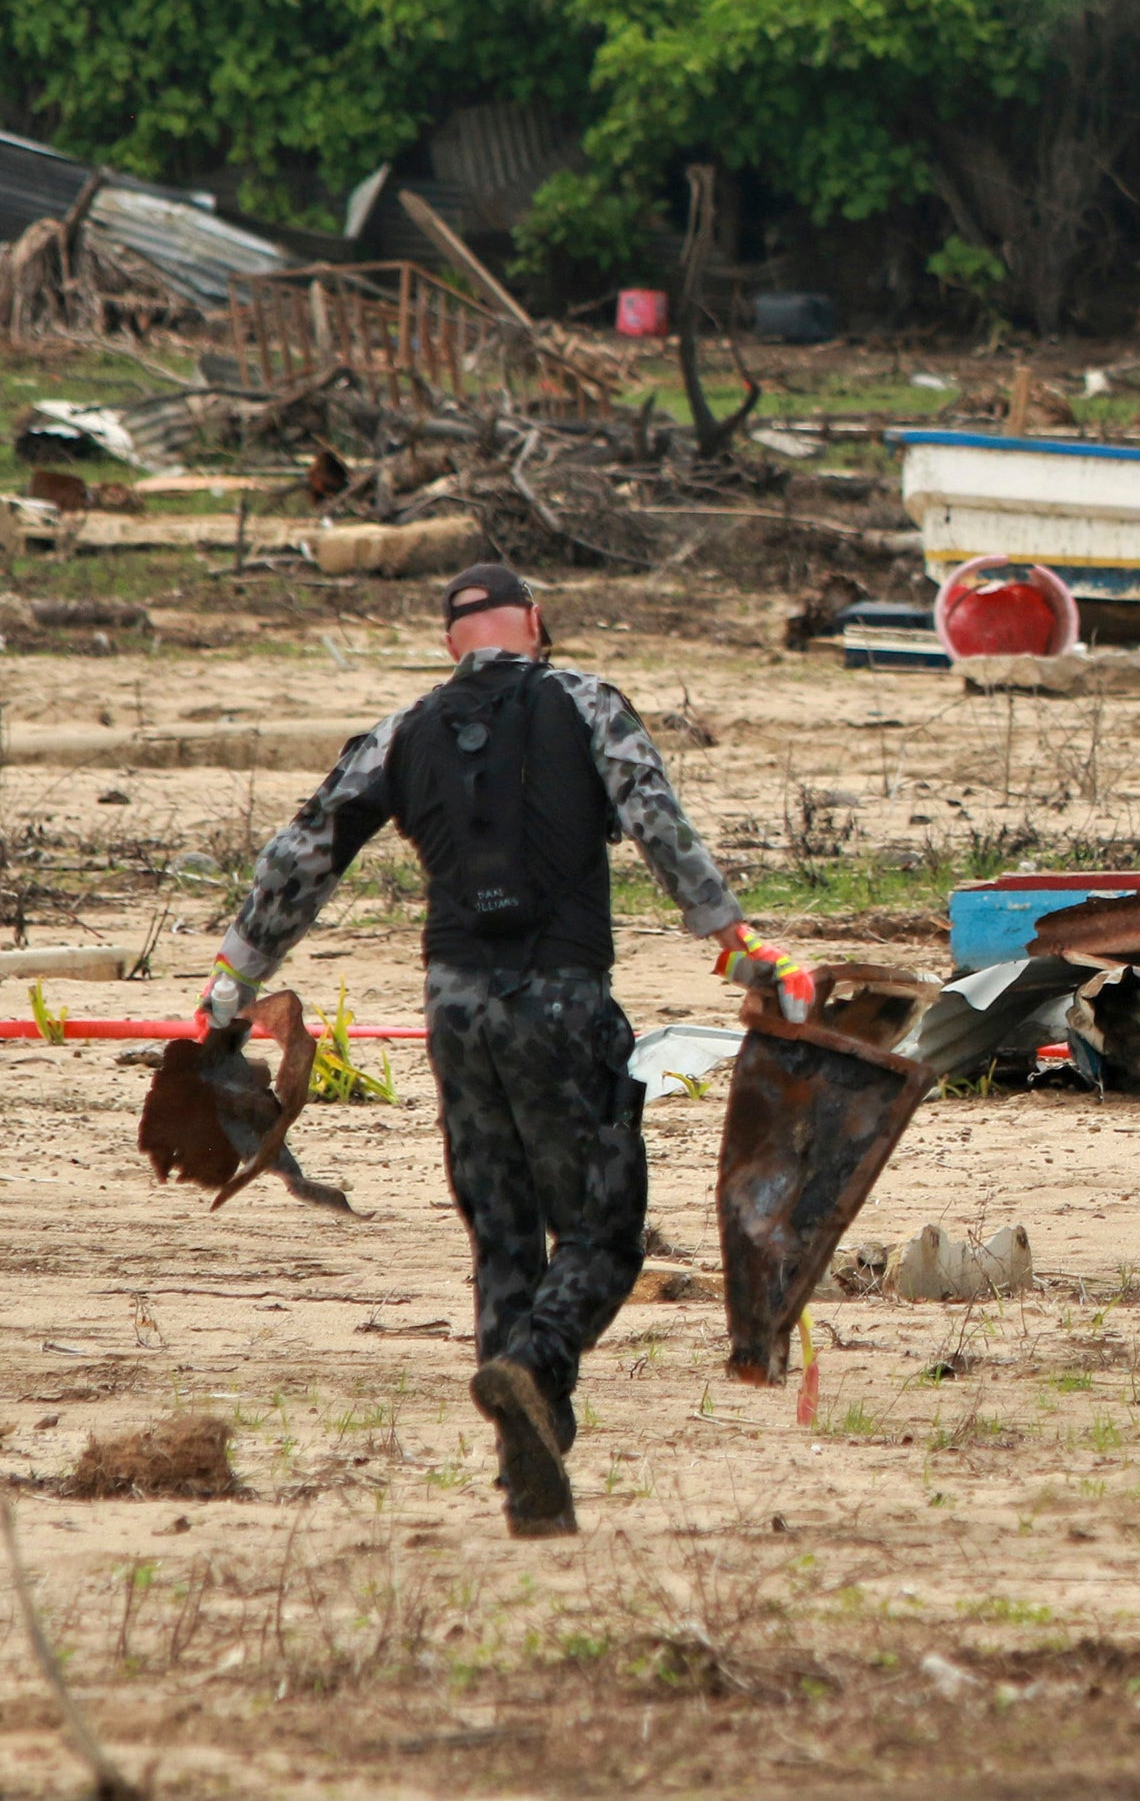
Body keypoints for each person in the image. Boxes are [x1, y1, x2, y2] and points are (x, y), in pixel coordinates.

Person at [198, 563, 816, 1537]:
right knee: (604, 1236)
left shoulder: (400, 732)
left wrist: (232, 982)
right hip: (563, 1004)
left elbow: (301, 854)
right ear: (536, 620)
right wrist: (736, 943)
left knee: (502, 1238)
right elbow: (655, 818)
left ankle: (529, 1473)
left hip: (454, 1011)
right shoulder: (587, 701)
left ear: (451, 643)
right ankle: (532, 1366)